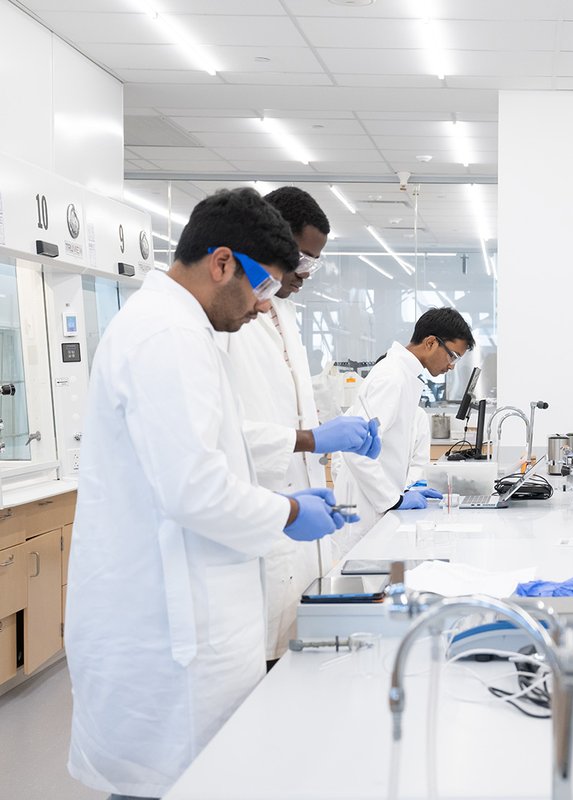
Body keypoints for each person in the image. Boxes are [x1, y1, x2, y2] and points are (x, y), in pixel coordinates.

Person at [65, 188, 355, 800]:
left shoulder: (181, 328)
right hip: (169, 640)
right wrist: (288, 511)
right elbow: (193, 489)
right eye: (263, 287)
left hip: (192, 624)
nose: (262, 306)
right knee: (168, 782)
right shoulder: (167, 336)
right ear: (222, 262)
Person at [222, 186, 380, 667]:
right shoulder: (223, 320)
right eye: (304, 259)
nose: (307, 274)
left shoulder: (281, 314)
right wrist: (310, 439)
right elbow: (225, 436)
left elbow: (285, 407)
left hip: (293, 531)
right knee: (265, 673)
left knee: (297, 664)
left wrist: (320, 434)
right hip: (255, 530)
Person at [335, 307, 476, 535]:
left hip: (377, 506)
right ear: (430, 342)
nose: (452, 366)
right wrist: (394, 500)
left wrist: (405, 491)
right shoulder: (391, 378)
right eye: (453, 355)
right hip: (365, 511)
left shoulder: (405, 376)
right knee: (363, 569)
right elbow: (356, 448)